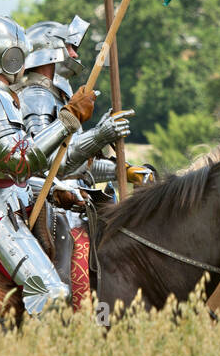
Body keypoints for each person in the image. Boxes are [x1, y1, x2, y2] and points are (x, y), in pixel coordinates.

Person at [0, 15, 96, 314]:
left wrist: (52, 190)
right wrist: (69, 118)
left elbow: (16, 174)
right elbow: (20, 161)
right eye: (21, 58)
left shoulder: (0, 96)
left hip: (5, 194)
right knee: (51, 293)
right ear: (11, 59)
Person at [13, 17, 141, 219]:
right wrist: (99, 135)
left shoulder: (55, 96)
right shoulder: (36, 96)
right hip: (53, 206)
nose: (75, 54)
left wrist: (124, 171)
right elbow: (52, 164)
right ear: (51, 50)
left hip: (76, 200)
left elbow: (78, 168)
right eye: (70, 47)